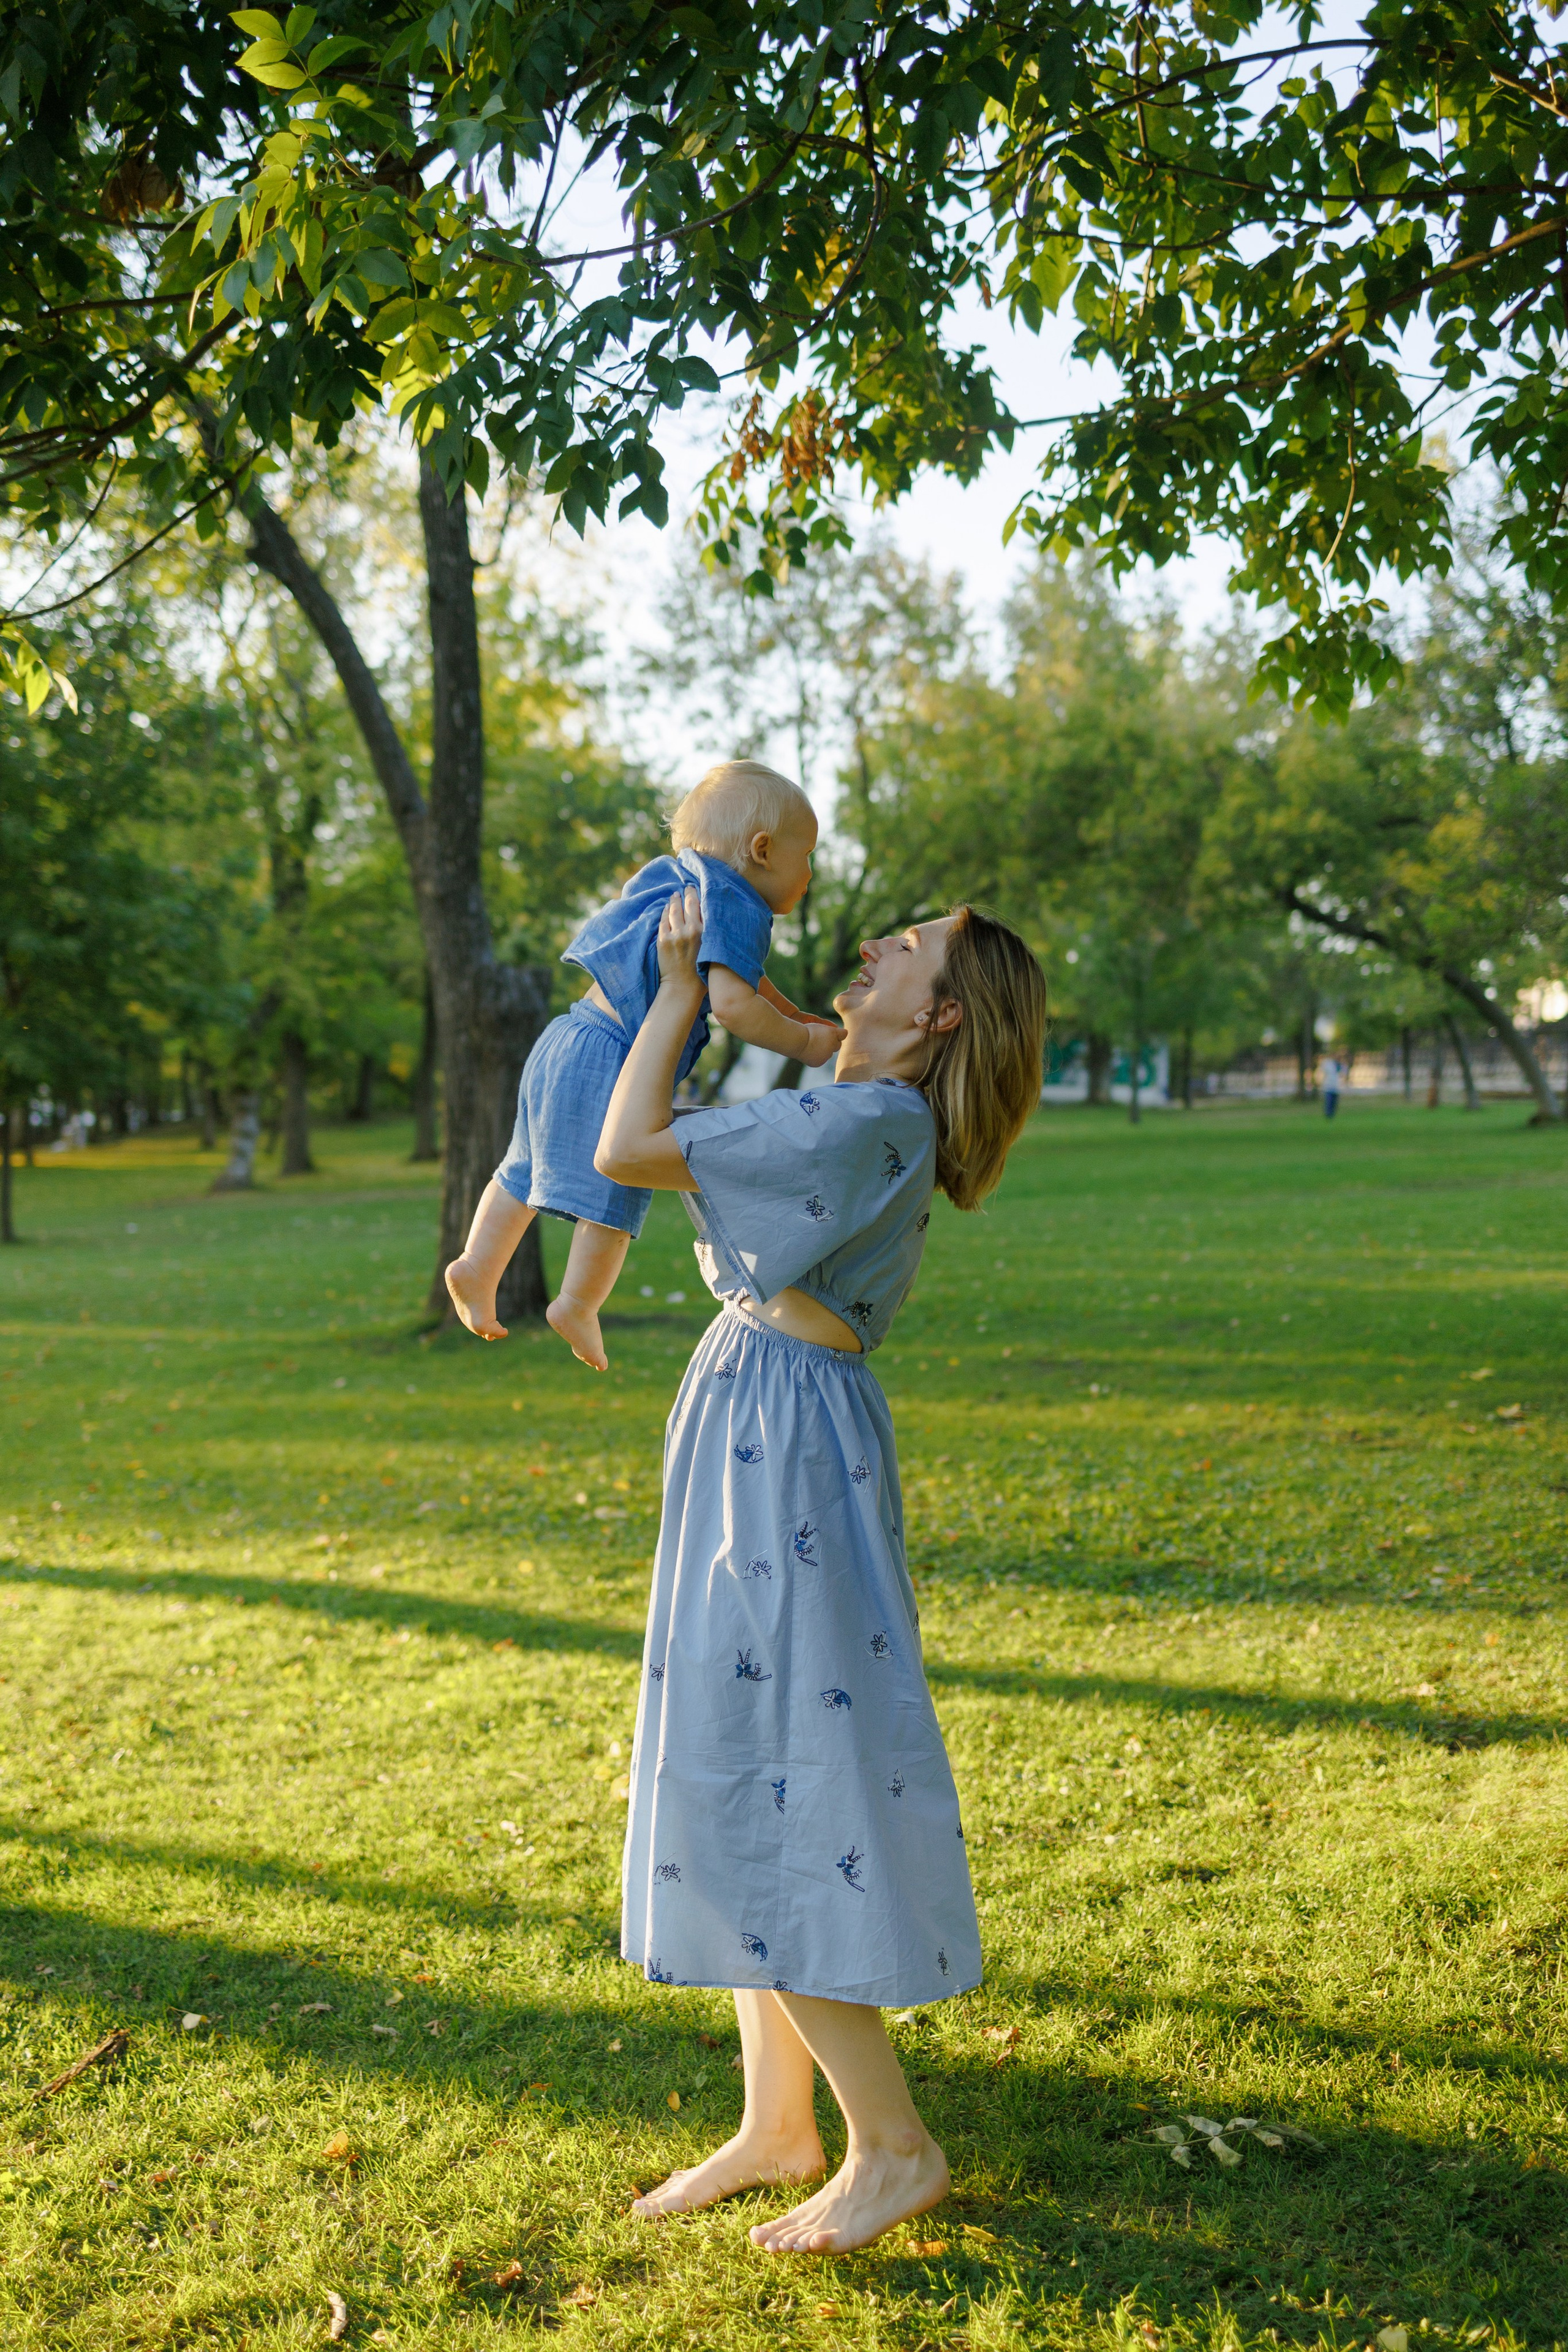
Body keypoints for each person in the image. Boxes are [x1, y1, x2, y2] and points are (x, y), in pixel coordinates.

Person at [595, 888, 1049, 2255]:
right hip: (763, 1414)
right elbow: (784, 1032)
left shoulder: (866, 1117)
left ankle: (893, 2146)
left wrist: (676, 989)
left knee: (782, 1767)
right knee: (745, 1751)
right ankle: (774, 2124)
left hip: (785, 1438)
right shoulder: (858, 1101)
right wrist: (736, 995)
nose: (871, 949)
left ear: (943, 1013)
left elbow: (627, 1143)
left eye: (903, 951)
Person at [443, 763, 843, 1370]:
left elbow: (748, 980)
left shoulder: (682, 880)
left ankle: (476, 1267)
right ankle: (577, 1302)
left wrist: (797, 1014)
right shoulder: (739, 901)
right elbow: (735, 1006)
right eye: (806, 855)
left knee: (521, 1168)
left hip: (567, 1035)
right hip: (612, 1056)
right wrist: (805, 1044)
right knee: (616, 1181)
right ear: (762, 850)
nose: (810, 873)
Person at [1322, 1054, 1343, 1118]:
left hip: (1336, 1087)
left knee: (1334, 1103)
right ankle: (1328, 1115)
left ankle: (1332, 1115)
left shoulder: (1340, 1065)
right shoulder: (1329, 1064)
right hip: (1329, 1087)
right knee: (1329, 1102)